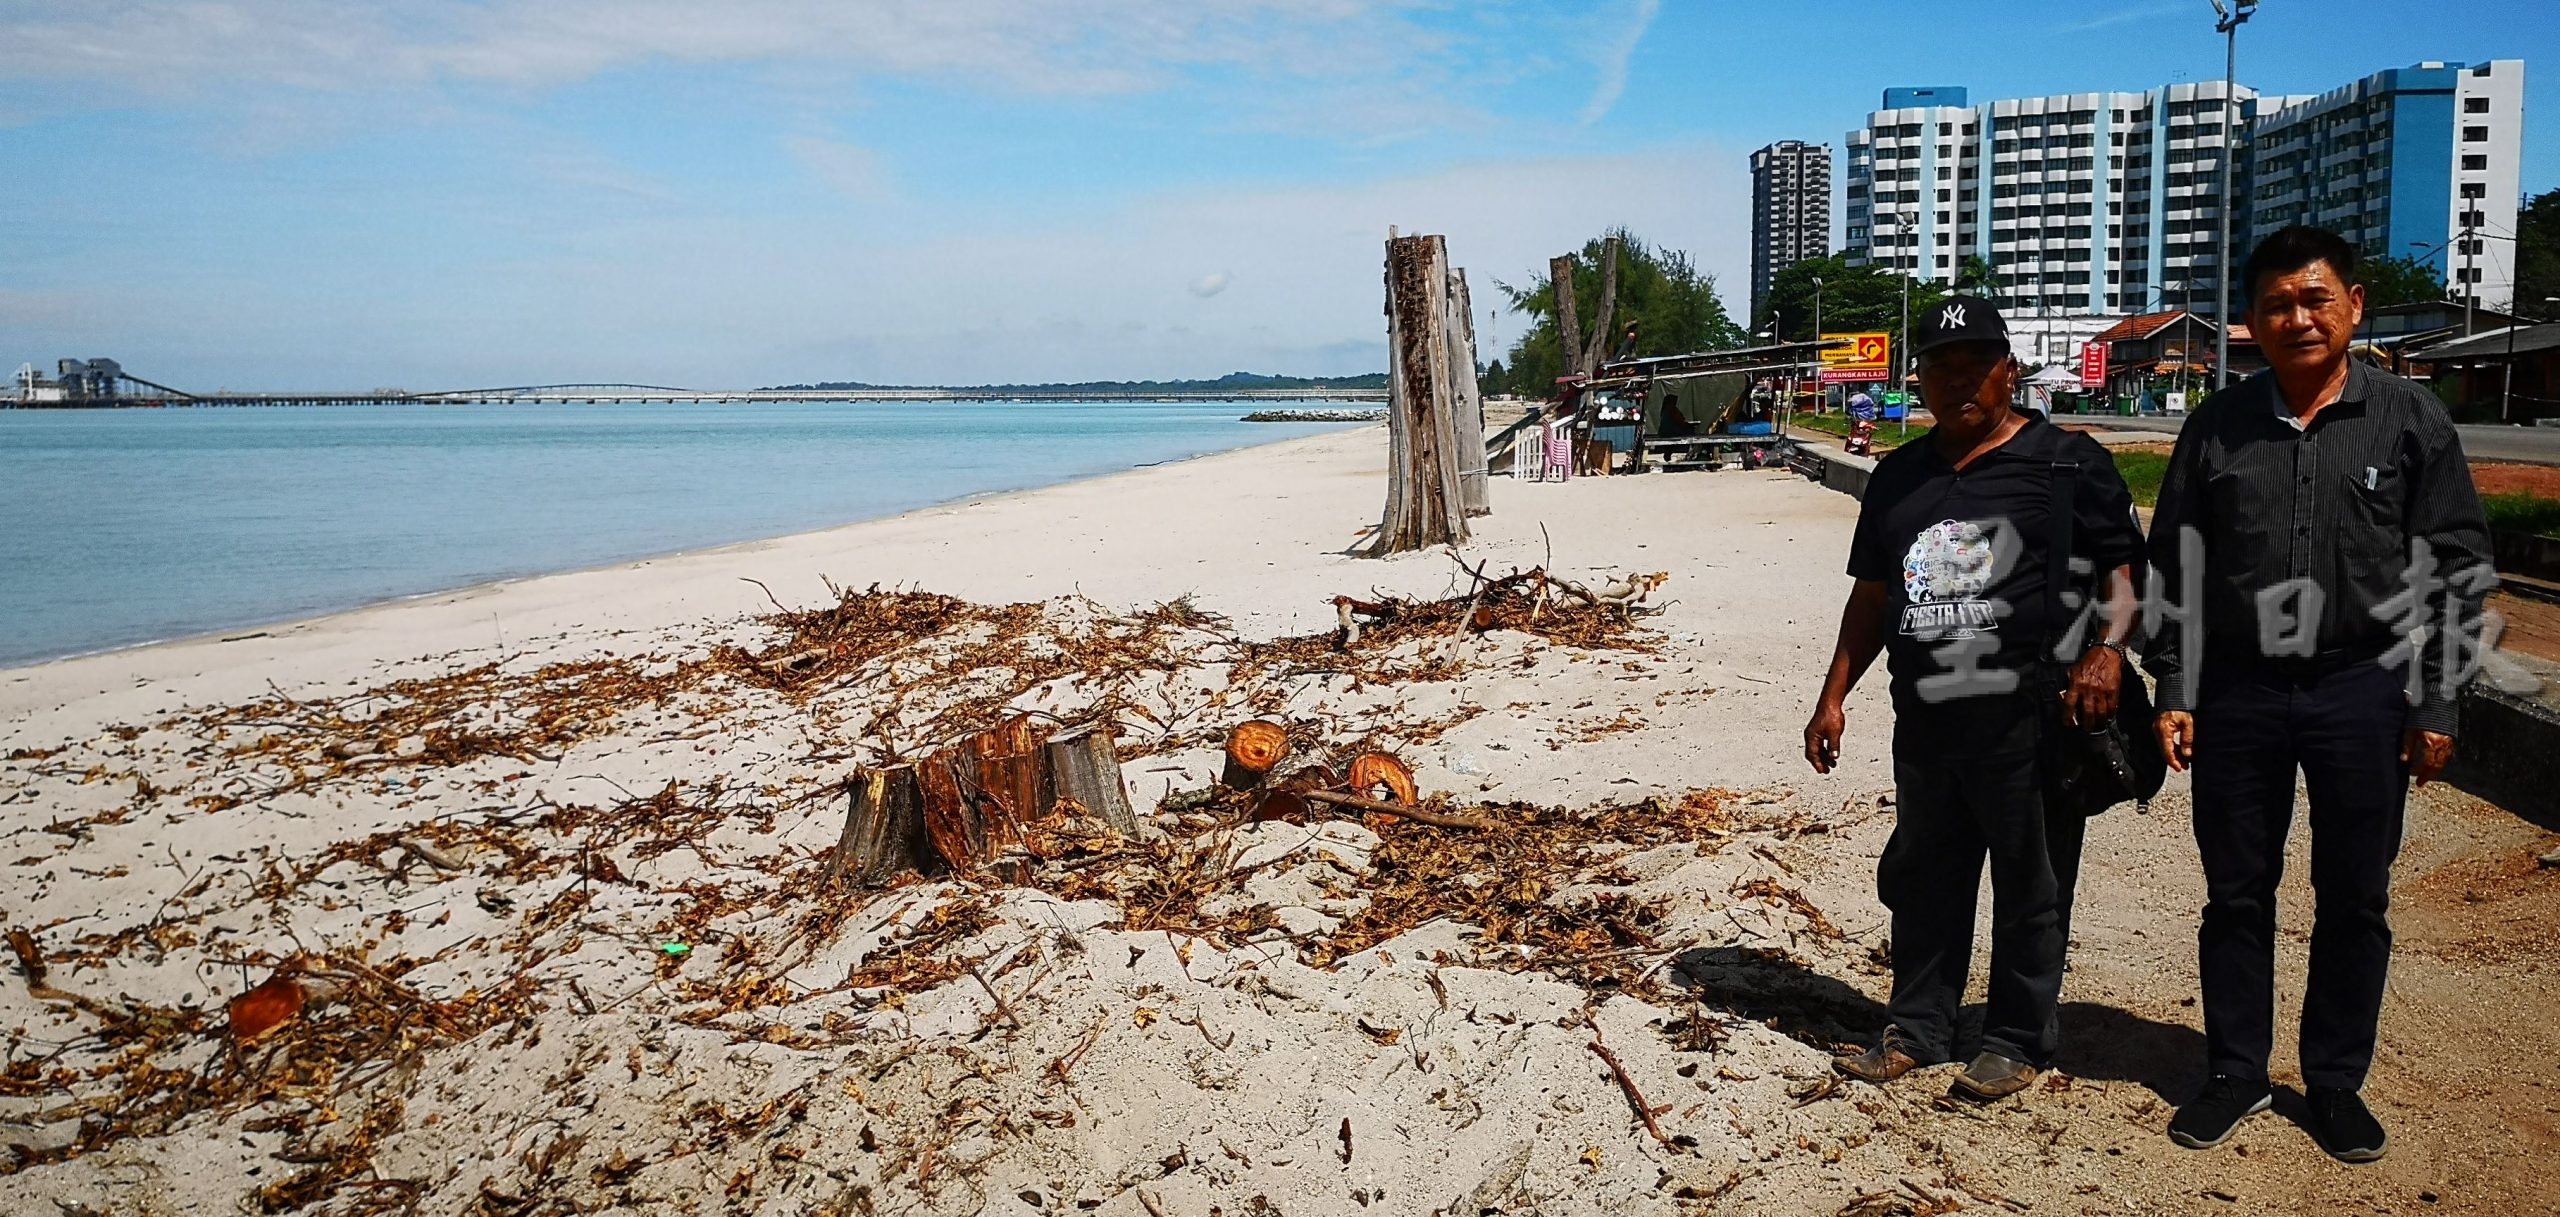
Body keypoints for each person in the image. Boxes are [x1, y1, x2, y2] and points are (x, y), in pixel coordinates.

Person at [2144, 226, 2495, 1162]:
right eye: (2275, 305)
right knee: (2236, 890)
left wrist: (2437, 703)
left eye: (2314, 299)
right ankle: (2235, 1072)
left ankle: (2336, 1081)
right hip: (2240, 690)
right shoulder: (2216, 426)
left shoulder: (2410, 419)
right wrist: (2173, 684)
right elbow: (2174, 564)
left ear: (2354, 306)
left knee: (2355, 894)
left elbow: (2456, 568)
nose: (2297, 317)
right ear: (2251, 320)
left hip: (2363, 687)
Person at [1804, 296, 2144, 1101]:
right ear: (1919, 378)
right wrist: (1832, 696)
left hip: (2030, 718)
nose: (1959, 380)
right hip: (1927, 720)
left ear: (2009, 370)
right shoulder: (1899, 477)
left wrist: (2108, 652)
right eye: (1942, 366)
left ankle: (2018, 1036)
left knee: (2033, 883)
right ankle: (1917, 1027)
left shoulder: (2068, 462)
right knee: (1926, 878)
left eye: (1976, 365)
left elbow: (2124, 578)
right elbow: (1873, 598)